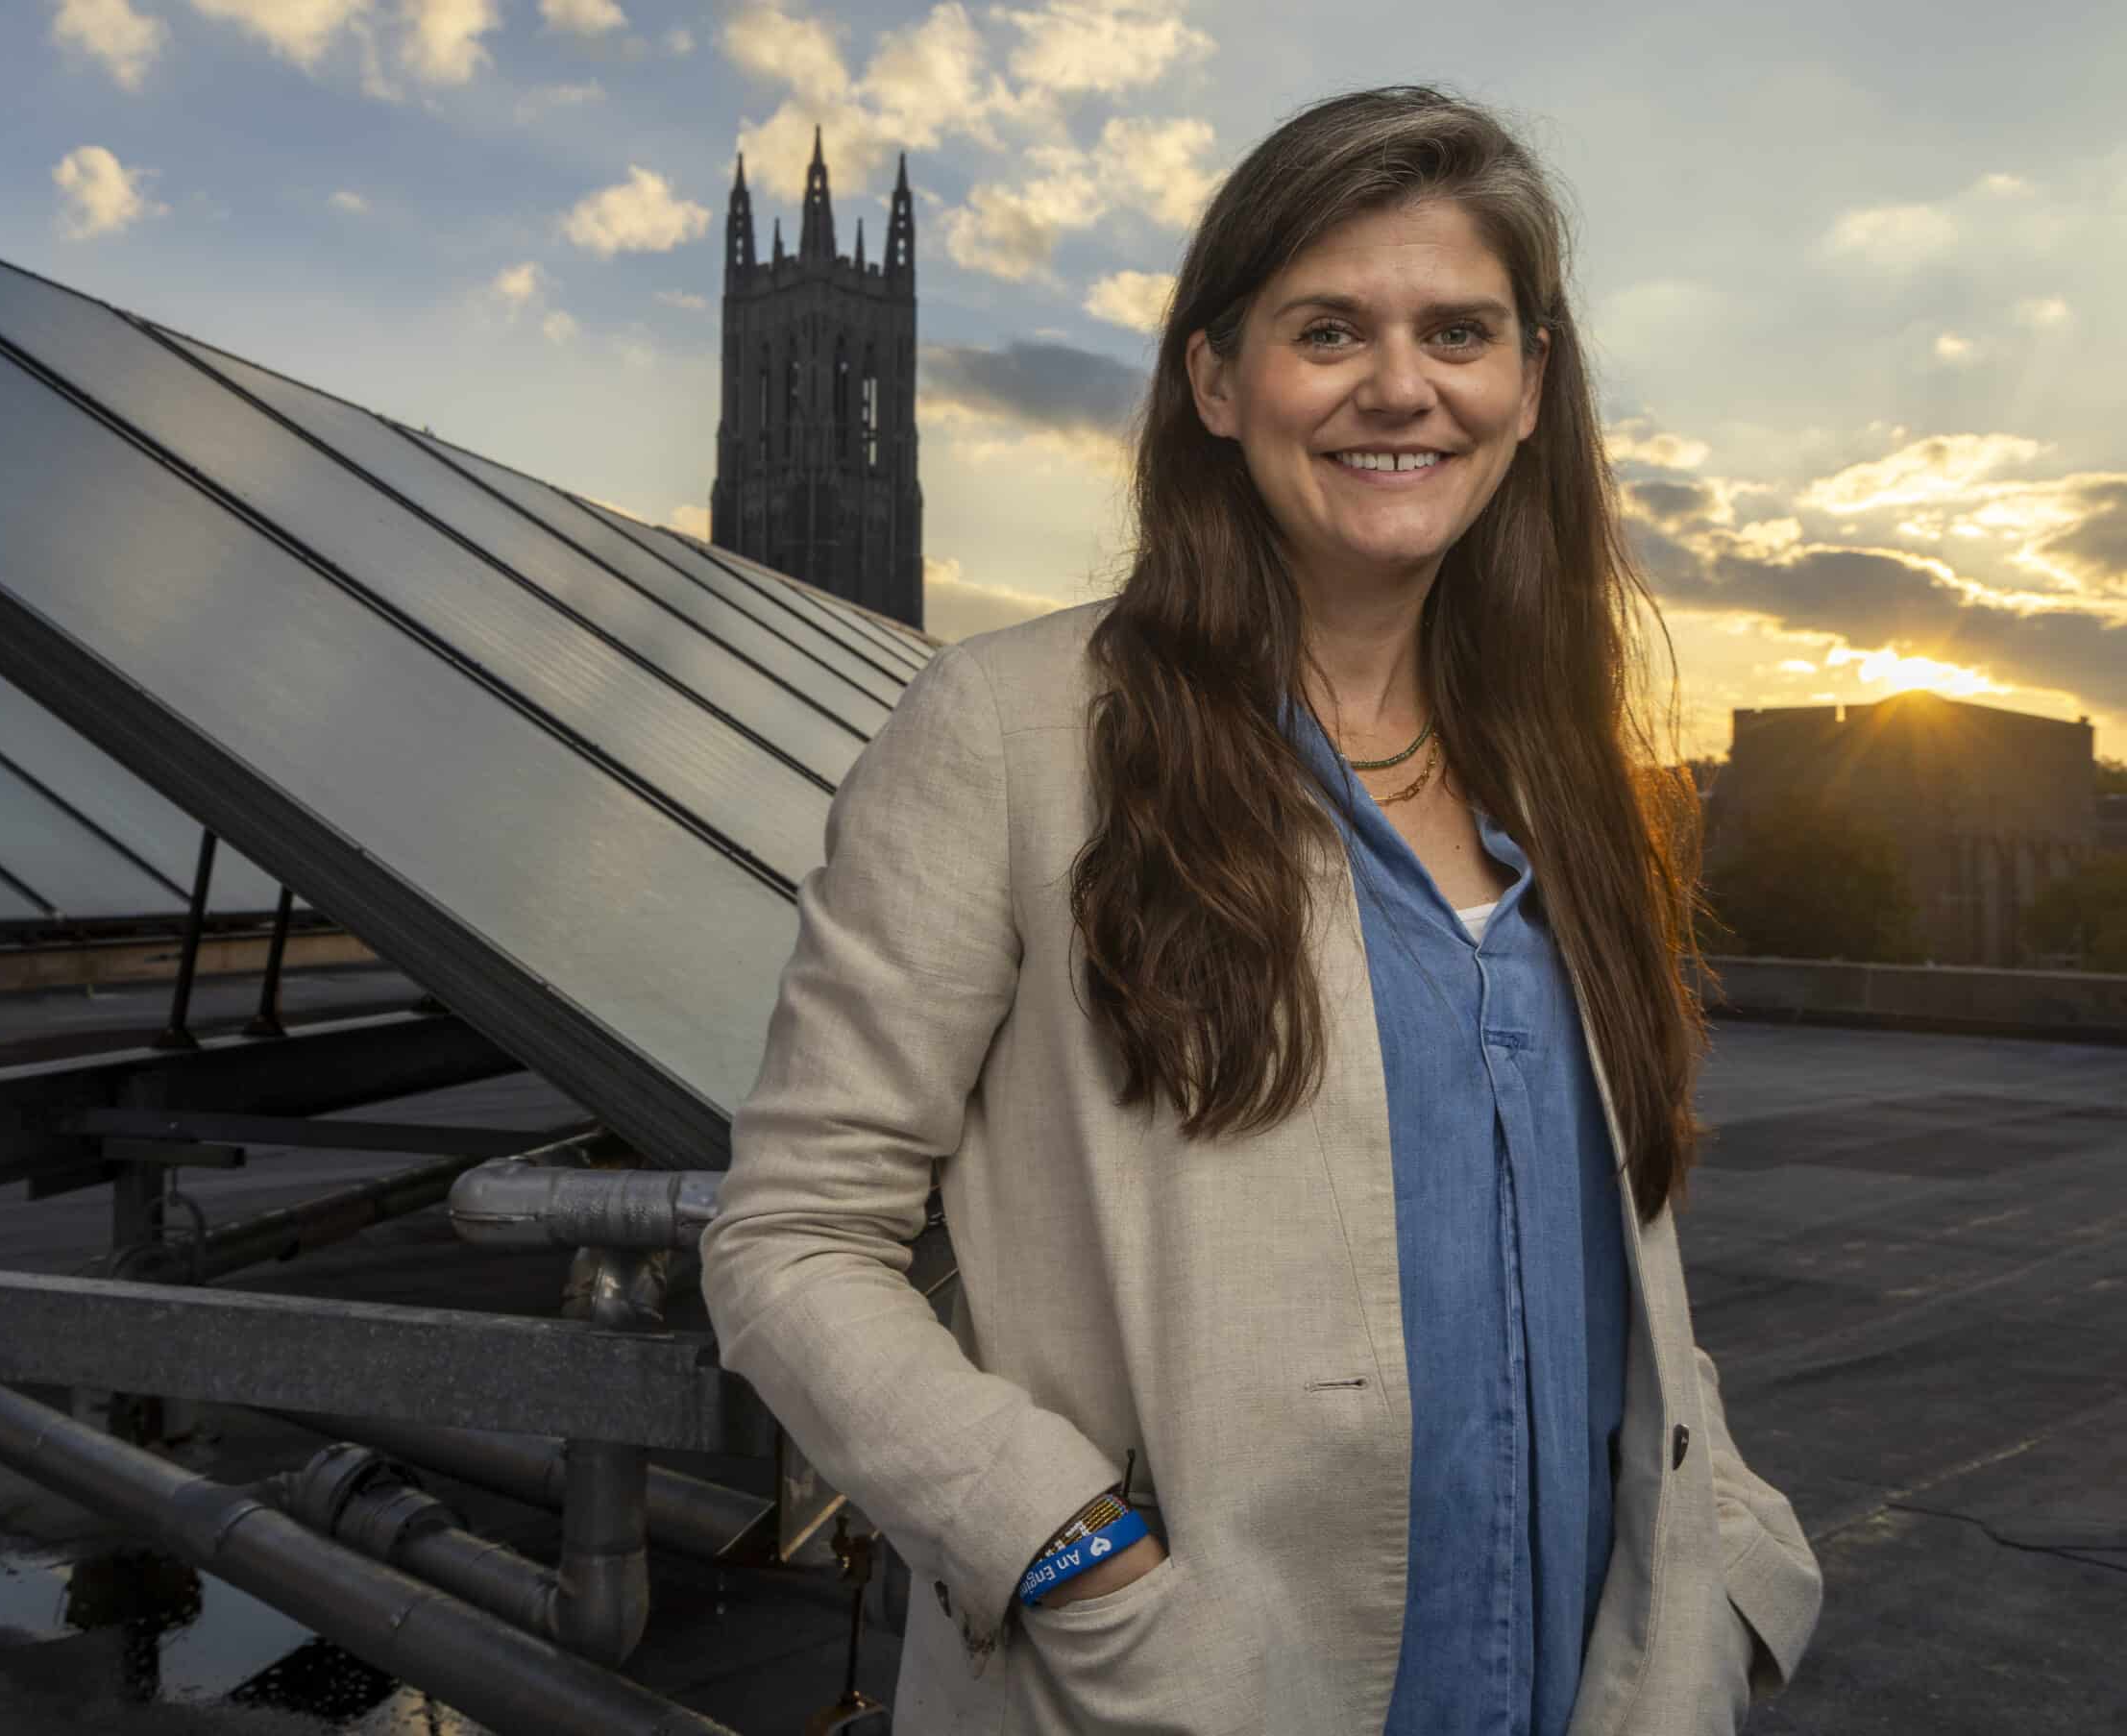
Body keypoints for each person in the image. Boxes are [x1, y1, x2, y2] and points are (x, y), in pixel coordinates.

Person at [698, 85, 1821, 1736]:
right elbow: (790, 1241)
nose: (1401, 386)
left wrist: (1722, 1567)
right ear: (1217, 381)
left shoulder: (1578, 783)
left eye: (1460, 331)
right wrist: (1069, 1554)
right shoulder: (1009, 736)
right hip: (1186, 1698)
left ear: (1530, 389)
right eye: (1327, 330)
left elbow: (1605, 1258)